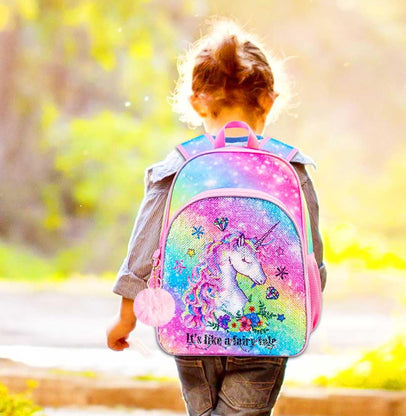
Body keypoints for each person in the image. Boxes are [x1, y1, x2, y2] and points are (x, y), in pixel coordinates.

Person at [107, 19, 326, 416]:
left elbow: (144, 247)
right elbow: (312, 252)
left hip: (192, 329)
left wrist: (126, 317)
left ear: (196, 101)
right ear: (270, 100)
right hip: (269, 334)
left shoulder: (179, 166)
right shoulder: (291, 167)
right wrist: (307, 309)